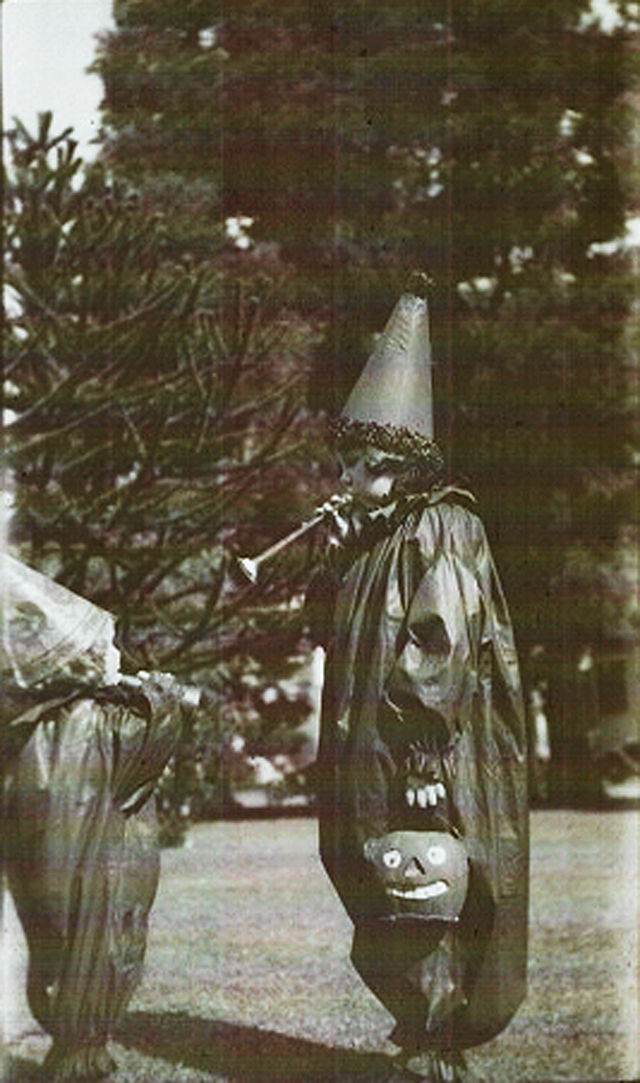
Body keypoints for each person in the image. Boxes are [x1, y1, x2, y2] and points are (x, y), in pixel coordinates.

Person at [306, 284, 529, 1082]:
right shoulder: (370, 540)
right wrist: (330, 559)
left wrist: (428, 766)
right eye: (346, 463)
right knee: (382, 883)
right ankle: (420, 1031)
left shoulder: (441, 526)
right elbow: (326, 634)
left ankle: (439, 1048)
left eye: (369, 465)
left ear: (406, 465)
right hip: (371, 755)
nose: (352, 478)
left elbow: (439, 647)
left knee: (429, 882)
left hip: (421, 762)